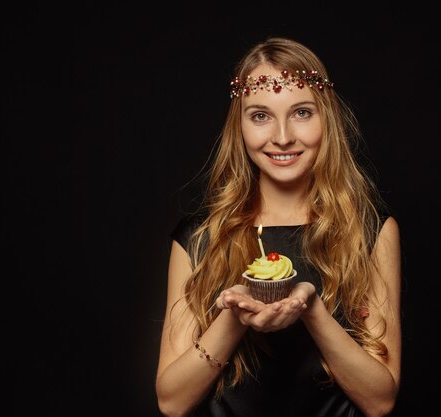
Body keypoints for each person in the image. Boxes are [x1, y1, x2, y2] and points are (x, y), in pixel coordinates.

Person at [156, 37, 402, 417]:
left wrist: (311, 310)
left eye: (302, 113)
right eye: (260, 116)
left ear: (327, 118)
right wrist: (234, 318)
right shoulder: (199, 238)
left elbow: (380, 400)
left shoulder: (369, 232)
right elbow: (172, 402)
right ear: (239, 126)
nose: (283, 136)